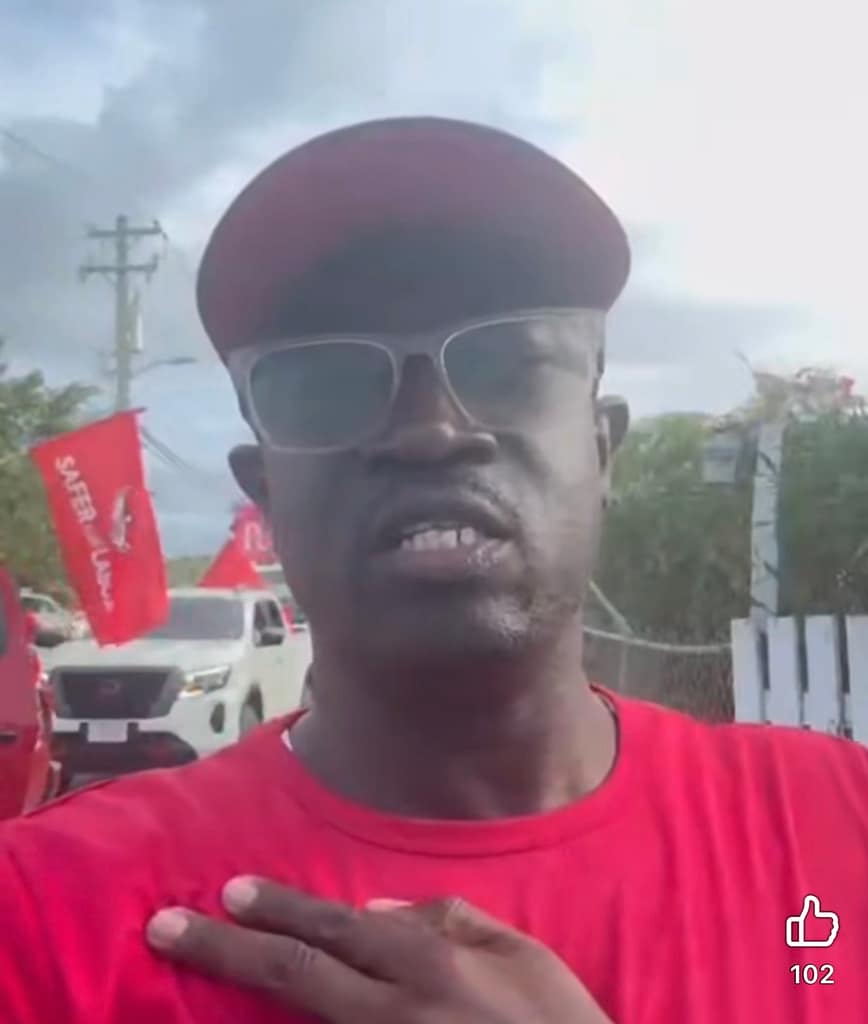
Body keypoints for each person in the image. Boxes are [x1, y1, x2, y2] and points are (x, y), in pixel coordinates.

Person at [1, 117, 866, 1023]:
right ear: (266, 494)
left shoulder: (839, 822)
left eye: (508, 364)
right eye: (329, 383)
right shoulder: (41, 914)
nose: (431, 430)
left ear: (602, 449)